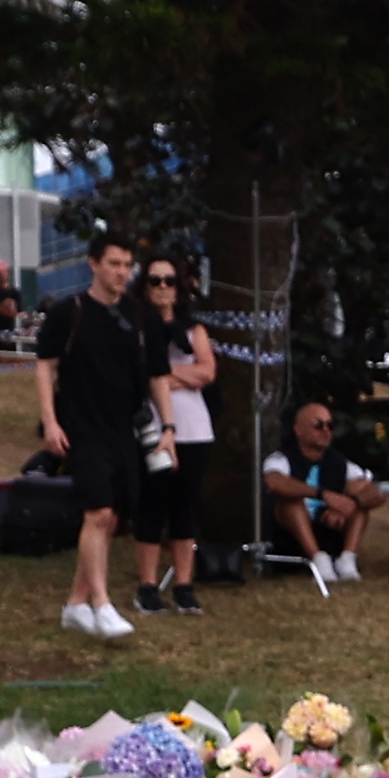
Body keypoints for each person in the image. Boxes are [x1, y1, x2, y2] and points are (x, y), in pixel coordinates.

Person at [31, 229, 155, 640]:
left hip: (124, 428)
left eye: (126, 265)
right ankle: (101, 603)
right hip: (81, 426)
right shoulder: (70, 311)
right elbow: (45, 366)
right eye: (114, 264)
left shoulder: (136, 315)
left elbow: (152, 373)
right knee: (97, 512)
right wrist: (50, 421)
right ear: (94, 265)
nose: (122, 273)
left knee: (113, 517)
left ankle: (76, 603)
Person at [129, 257, 214, 615]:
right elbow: (141, 372)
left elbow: (207, 372)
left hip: (195, 428)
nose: (162, 287)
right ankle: (147, 585)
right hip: (151, 426)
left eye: (169, 281)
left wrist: (166, 376)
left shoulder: (193, 329)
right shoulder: (136, 327)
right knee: (152, 504)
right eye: (155, 281)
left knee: (185, 507)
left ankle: (183, 583)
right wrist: (177, 376)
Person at [264, 398, 389, 583]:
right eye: (318, 425)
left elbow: (376, 493)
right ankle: (318, 560)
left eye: (330, 425)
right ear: (298, 429)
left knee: (360, 501)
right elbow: (275, 482)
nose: (326, 431)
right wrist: (322, 494)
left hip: (330, 528)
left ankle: (347, 559)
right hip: (291, 537)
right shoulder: (281, 459)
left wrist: (350, 503)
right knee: (291, 503)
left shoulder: (339, 462)